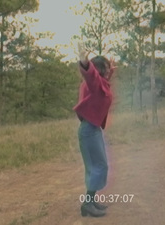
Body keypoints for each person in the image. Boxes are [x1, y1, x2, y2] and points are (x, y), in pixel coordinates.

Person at [73, 42, 115, 217]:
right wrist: (84, 62)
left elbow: (101, 82)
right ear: (97, 71)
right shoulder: (93, 83)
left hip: (93, 129)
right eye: (105, 68)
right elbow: (92, 77)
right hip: (89, 130)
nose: (107, 71)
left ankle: (91, 201)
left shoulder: (99, 85)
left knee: (100, 166)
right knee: (97, 166)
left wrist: (110, 70)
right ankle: (87, 204)